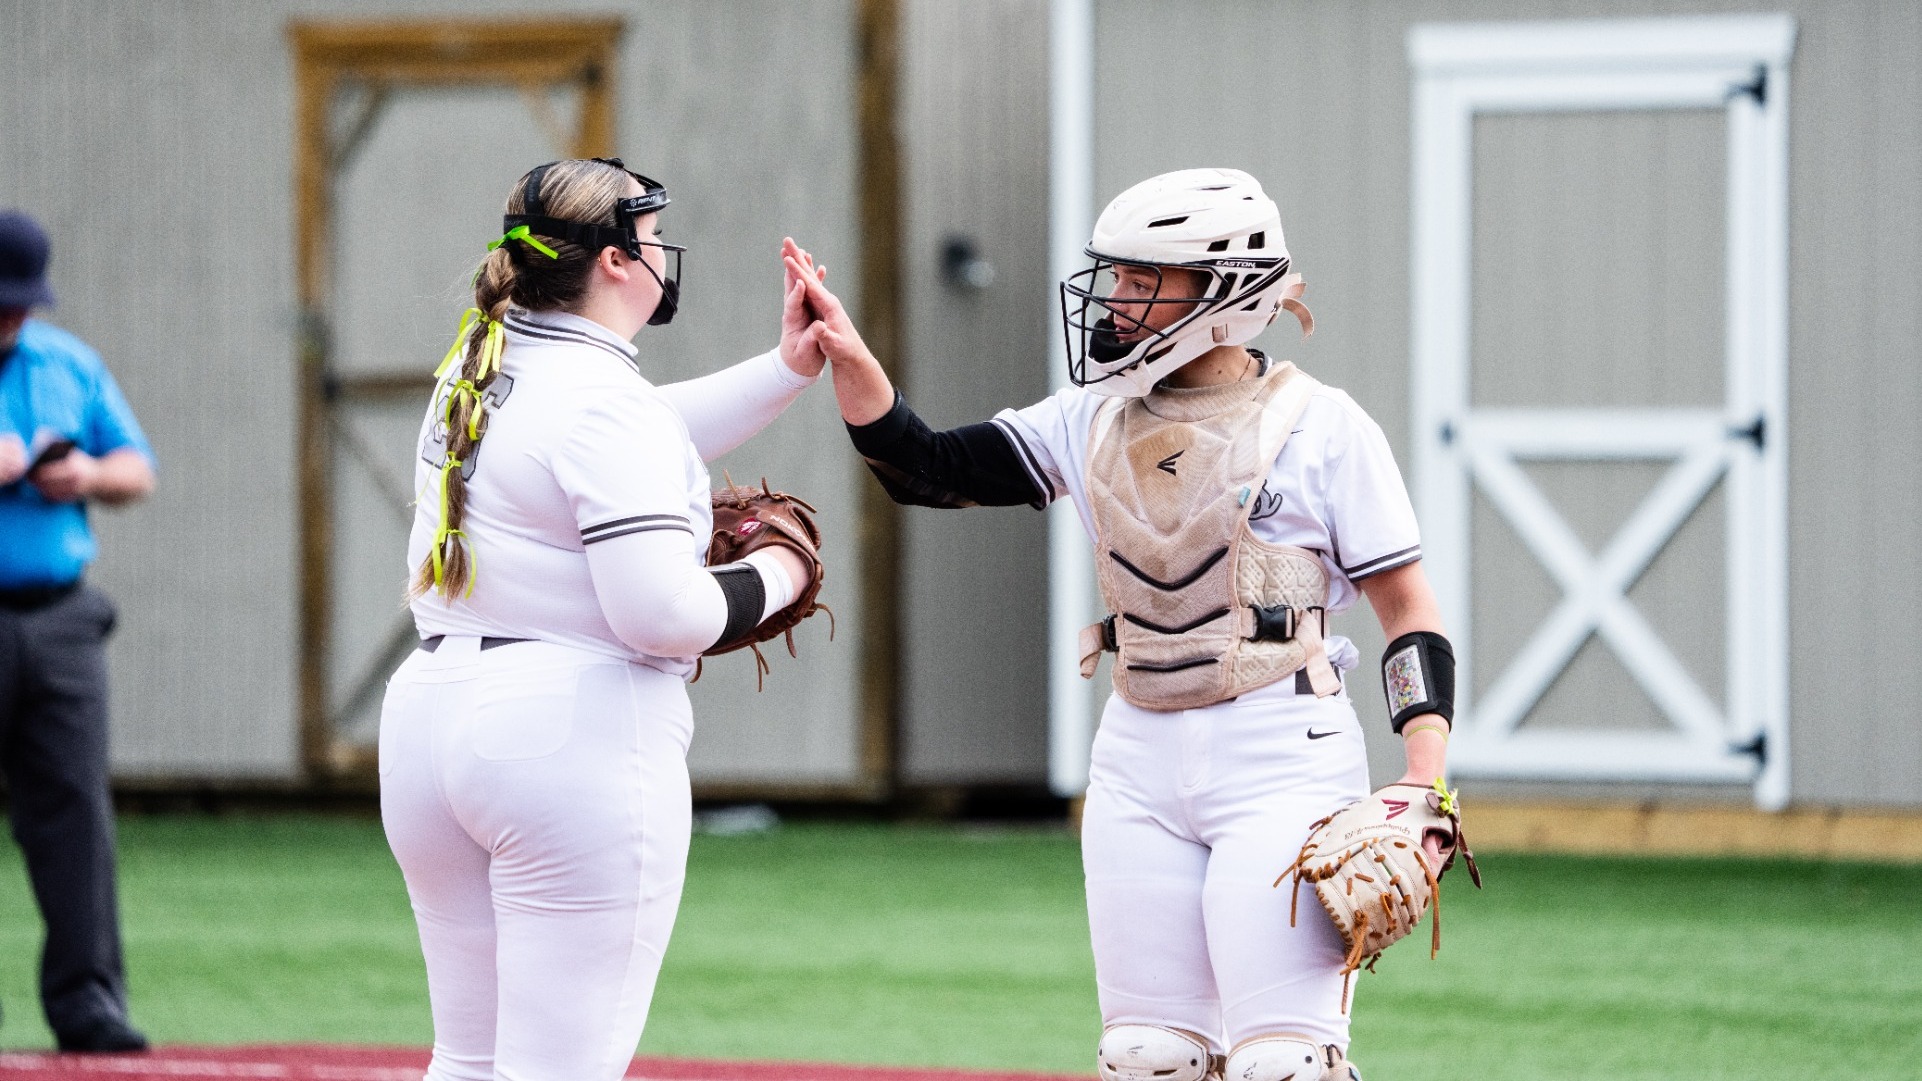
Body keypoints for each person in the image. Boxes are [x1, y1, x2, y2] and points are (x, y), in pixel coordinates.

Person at [785, 169, 1457, 1081]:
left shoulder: (1324, 426)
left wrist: (1423, 778)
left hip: (1282, 749)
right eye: (1117, 277)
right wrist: (852, 361)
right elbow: (929, 469)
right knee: (1148, 1057)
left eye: (1145, 281)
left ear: (1224, 293)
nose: (1115, 301)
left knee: (1284, 1064)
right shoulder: (1092, 416)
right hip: (1136, 755)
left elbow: (1407, 609)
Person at [377, 158, 823, 1081]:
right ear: (615, 261)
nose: (662, 253)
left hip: (430, 718)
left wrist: (785, 369)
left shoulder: (479, 361)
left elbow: (636, 423)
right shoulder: (603, 403)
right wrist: (780, 573)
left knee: (468, 1059)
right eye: (651, 238)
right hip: (566, 733)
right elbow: (663, 614)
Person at [0, 209, 156, 1053]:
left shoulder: (66, 362)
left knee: (75, 813)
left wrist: (87, 472)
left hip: (61, 618)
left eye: (21, 303)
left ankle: (88, 1001)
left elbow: (137, 468)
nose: (13, 317)